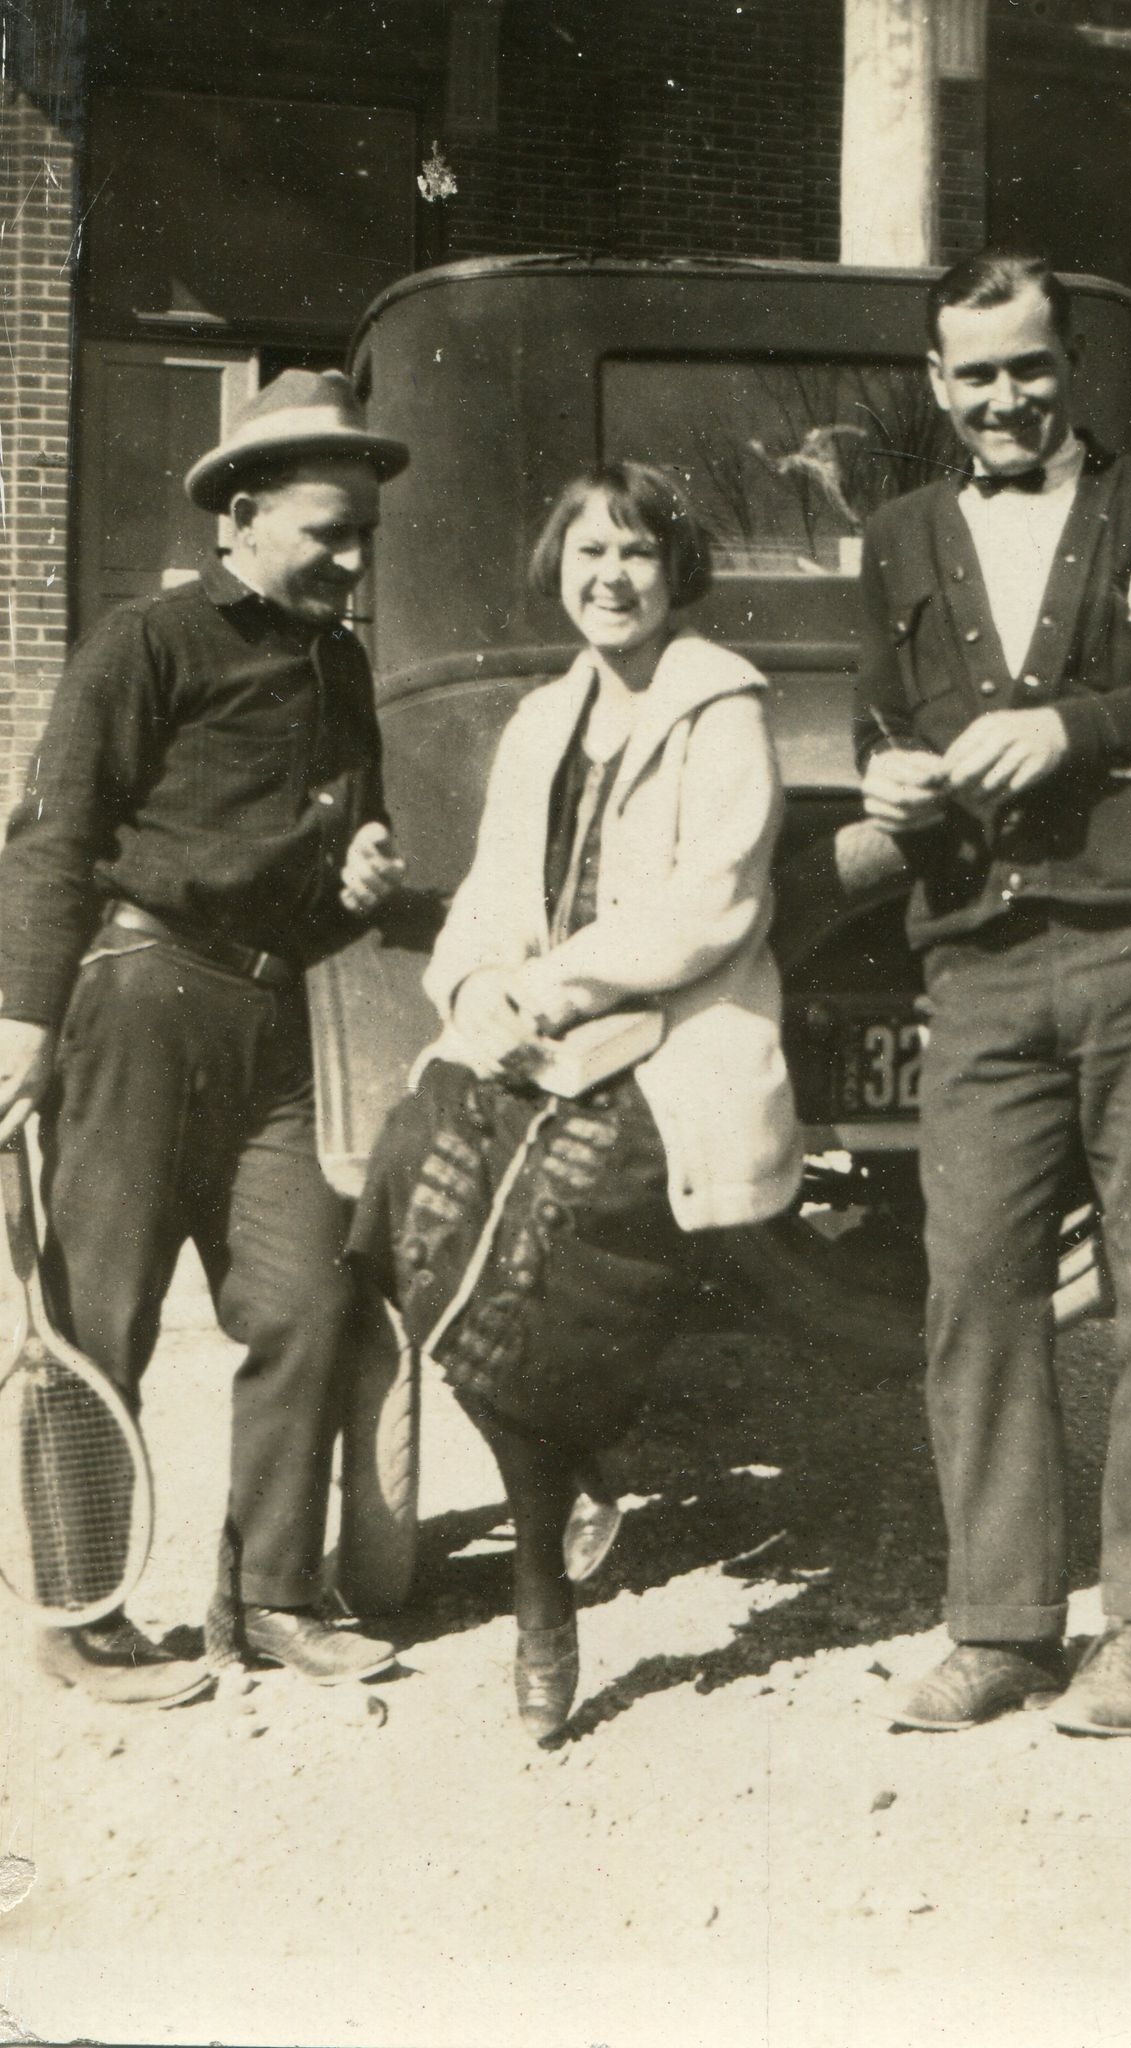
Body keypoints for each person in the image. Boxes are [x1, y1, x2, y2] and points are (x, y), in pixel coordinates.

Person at [857, 249, 1131, 1737]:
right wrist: (888, 773)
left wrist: (1071, 729)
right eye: (973, 375)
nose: (1003, 398)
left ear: (1066, 367)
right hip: (980, 954)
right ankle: (1001, 1626)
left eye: (1026, 367)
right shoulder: (899, 535)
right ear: (935, 384)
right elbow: (878, 715)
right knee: (973, 1289)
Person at [349, 462, 801, 1740]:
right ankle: (577, 1467)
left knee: (547, 1239)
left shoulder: (720, 706)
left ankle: (542, 1583)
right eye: (588, 553)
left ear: (676, 573)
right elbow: (494, 886)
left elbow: (714, 905)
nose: (611, 577)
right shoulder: (544, 717)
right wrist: (485, 982)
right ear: (558, 567)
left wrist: (552, 988)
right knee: (409, 1179)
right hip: (538, 1026)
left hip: (674, 1039)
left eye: (637, 554)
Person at [0, 370, 413, 1703]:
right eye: (326, 533)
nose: (353, 561)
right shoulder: (147, 643)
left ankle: (275, 1595)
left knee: (305, 1298)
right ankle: (84, 1614)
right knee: (96, 1321)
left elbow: (342, 845)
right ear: (242, 515)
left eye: (365, 534)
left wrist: (359, 876)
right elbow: (54, 839)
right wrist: (20, 1024)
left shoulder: (341, 664)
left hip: (269, 1017)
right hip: (134, 1000)